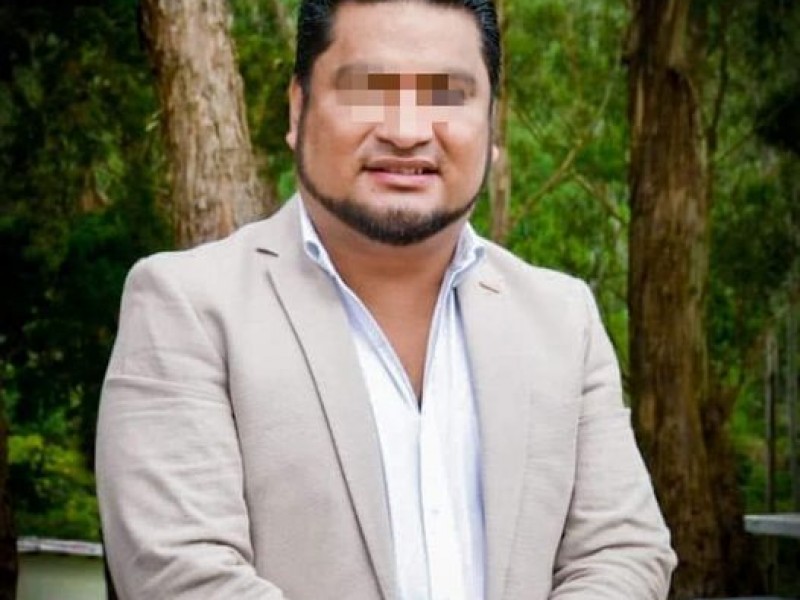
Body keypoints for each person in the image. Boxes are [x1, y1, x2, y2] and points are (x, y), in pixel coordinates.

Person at [95, 0, 677, 597]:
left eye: (448, 94)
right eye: (367, 89)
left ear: (490, 123)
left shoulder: (561, 319)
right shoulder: (187, 306)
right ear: (298, 108)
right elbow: (181, 573)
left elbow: (621, 551)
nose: (406, 131)